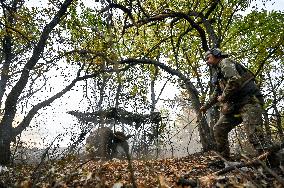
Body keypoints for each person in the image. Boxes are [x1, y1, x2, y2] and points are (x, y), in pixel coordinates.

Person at [200, 48, 266, 159]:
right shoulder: (219, 73)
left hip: (250, 101)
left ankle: (271, 163)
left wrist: (224, 97)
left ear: (216, 55)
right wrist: (205, 106)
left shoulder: (225, 63)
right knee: (219, 128)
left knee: (255, 135)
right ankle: (224, 160)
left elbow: (234, 80)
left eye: (208, 58)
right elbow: (217, 93)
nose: (207, 61)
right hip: (236, 106)